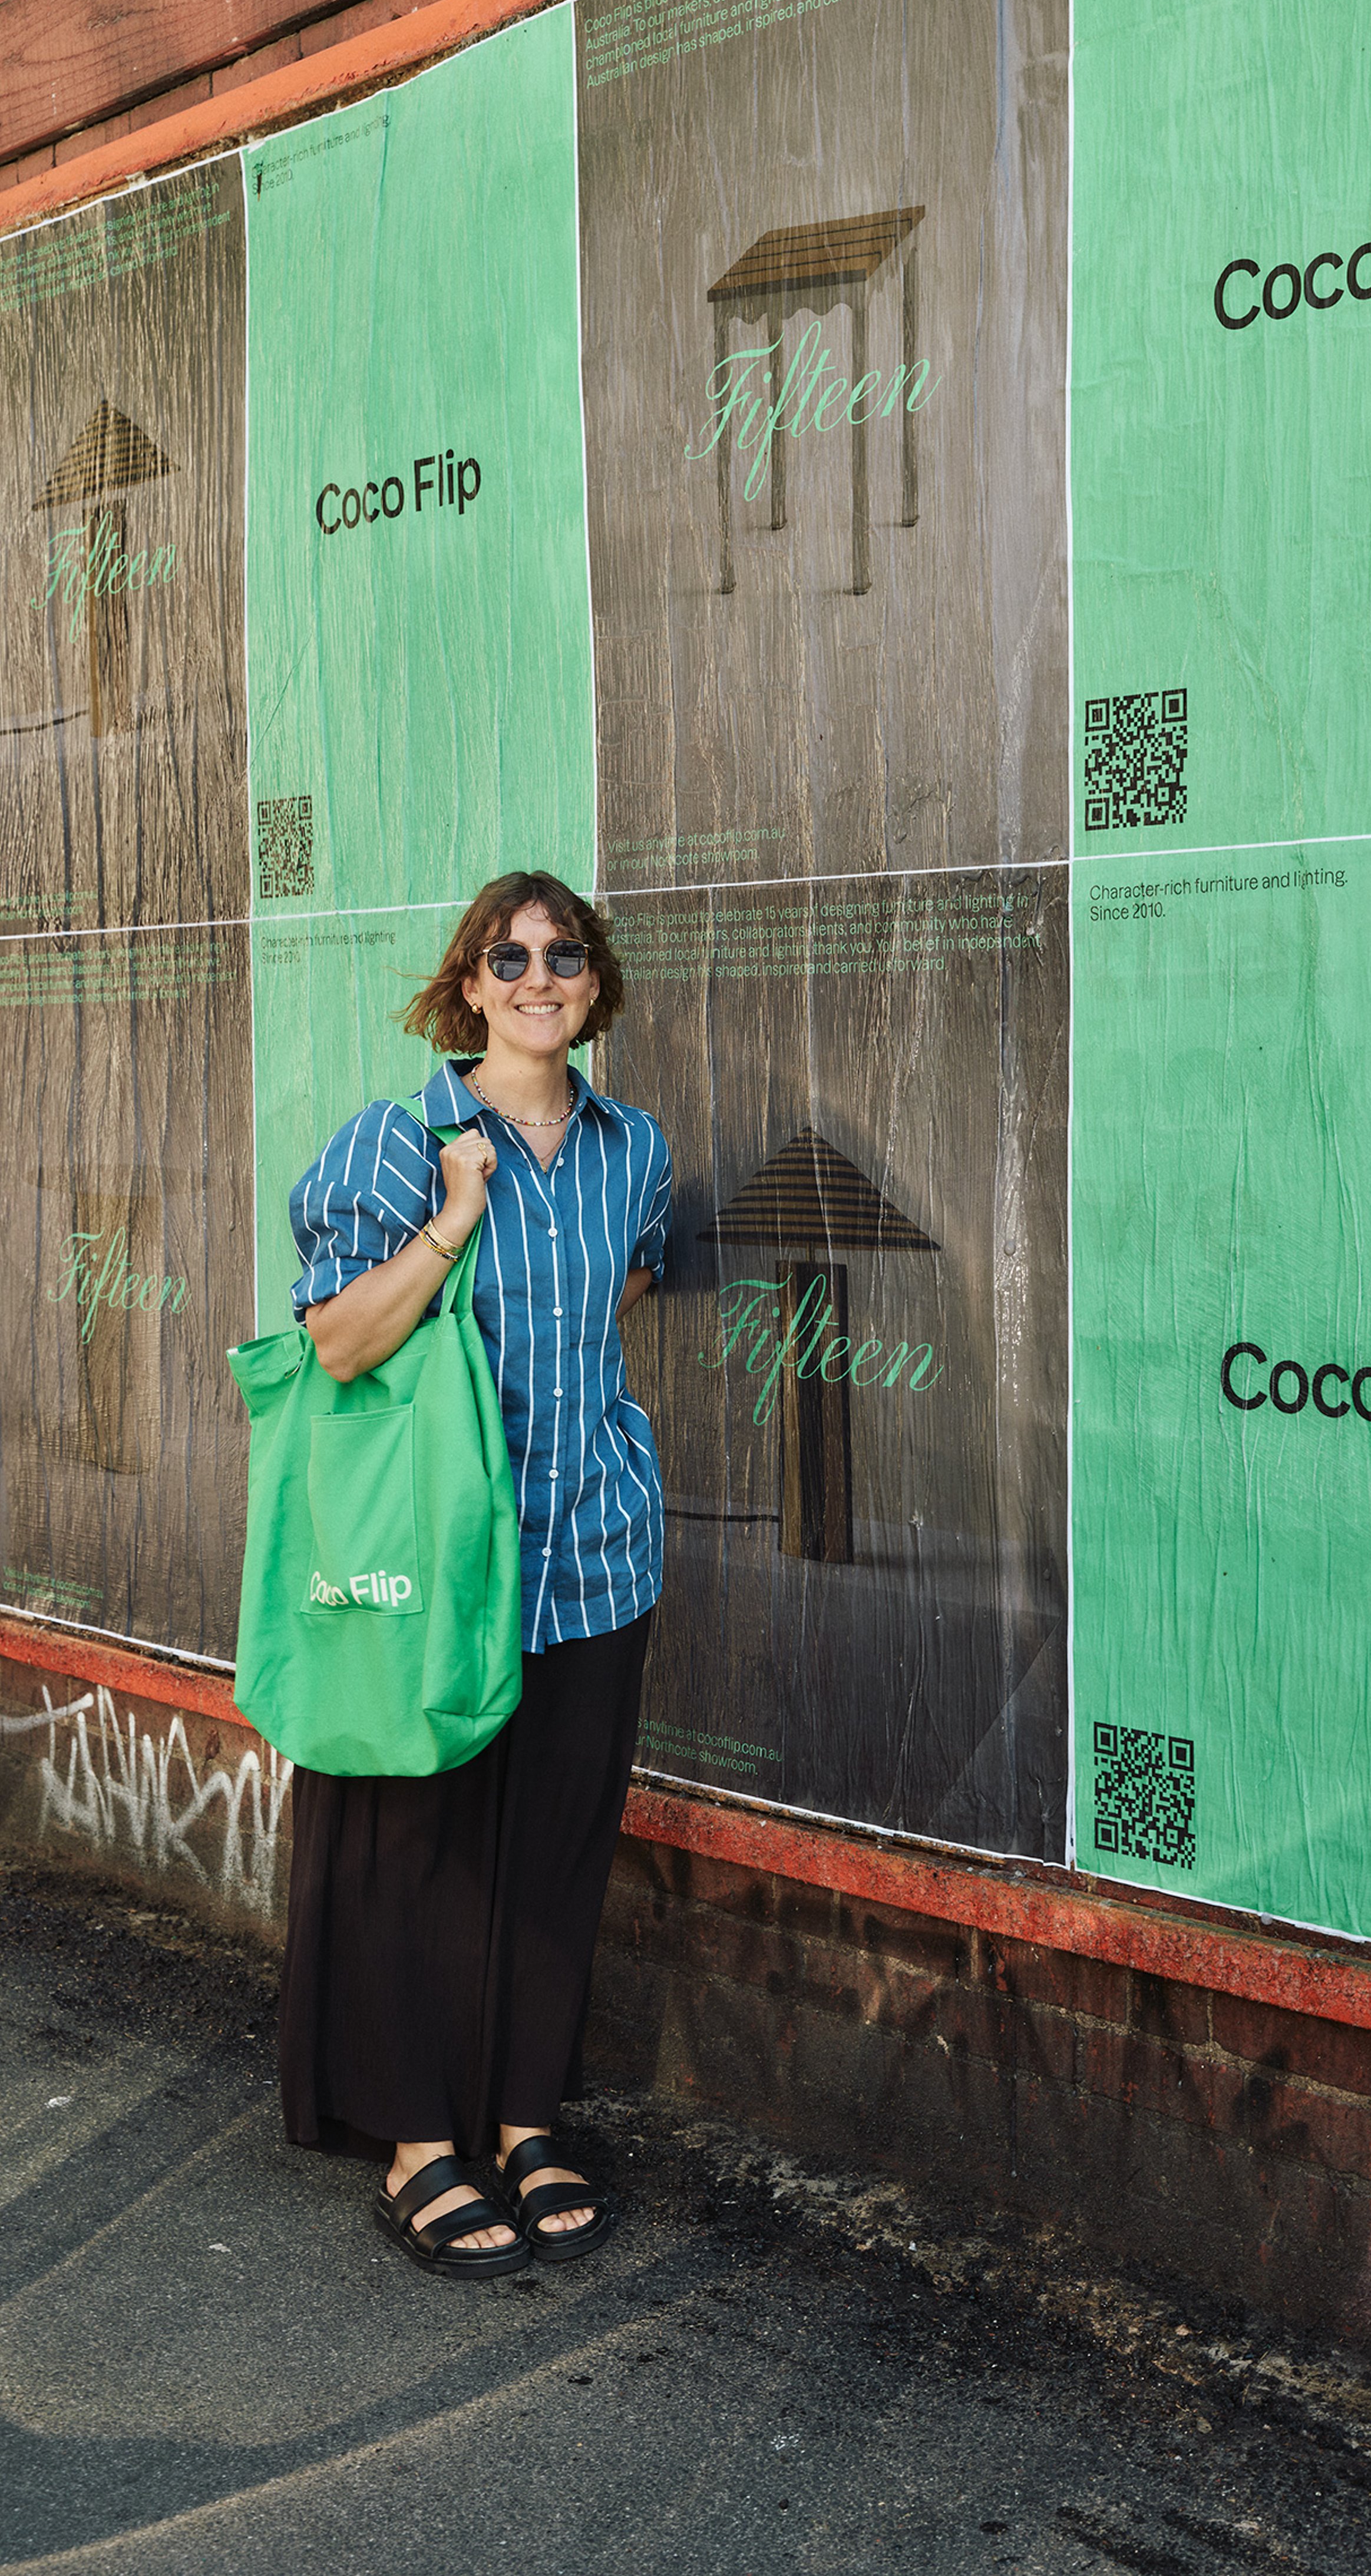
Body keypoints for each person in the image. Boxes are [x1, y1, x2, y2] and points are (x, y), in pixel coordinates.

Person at [277, 869, 670, 2279]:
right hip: (443, 1568)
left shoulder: (636, 1147)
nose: (536, 973)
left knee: (555, 1850)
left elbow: (626, 1284)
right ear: (468, 985)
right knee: (416, 1849)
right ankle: (414, 2142)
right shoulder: (402, 1139)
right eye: (507, 955)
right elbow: (336, 1342)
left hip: (596, 1554)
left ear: (594, 981)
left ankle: (521, 2116)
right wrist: (453, 1217)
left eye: (563, 953)